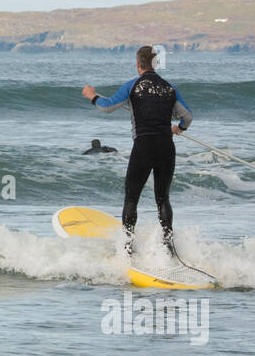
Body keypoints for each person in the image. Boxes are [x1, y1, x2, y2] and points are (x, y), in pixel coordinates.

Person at [81, 46, 193, 256]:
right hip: (166, 147)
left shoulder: (133, 85)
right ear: (155, 64)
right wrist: (180, 128)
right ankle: (169, 246)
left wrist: (92, 96)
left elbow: (107, 106)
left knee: (132, 198)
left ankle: (127, 248)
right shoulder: (170, 88)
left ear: (138, 64)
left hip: (143, 145)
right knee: (163, 198)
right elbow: (187, 116)